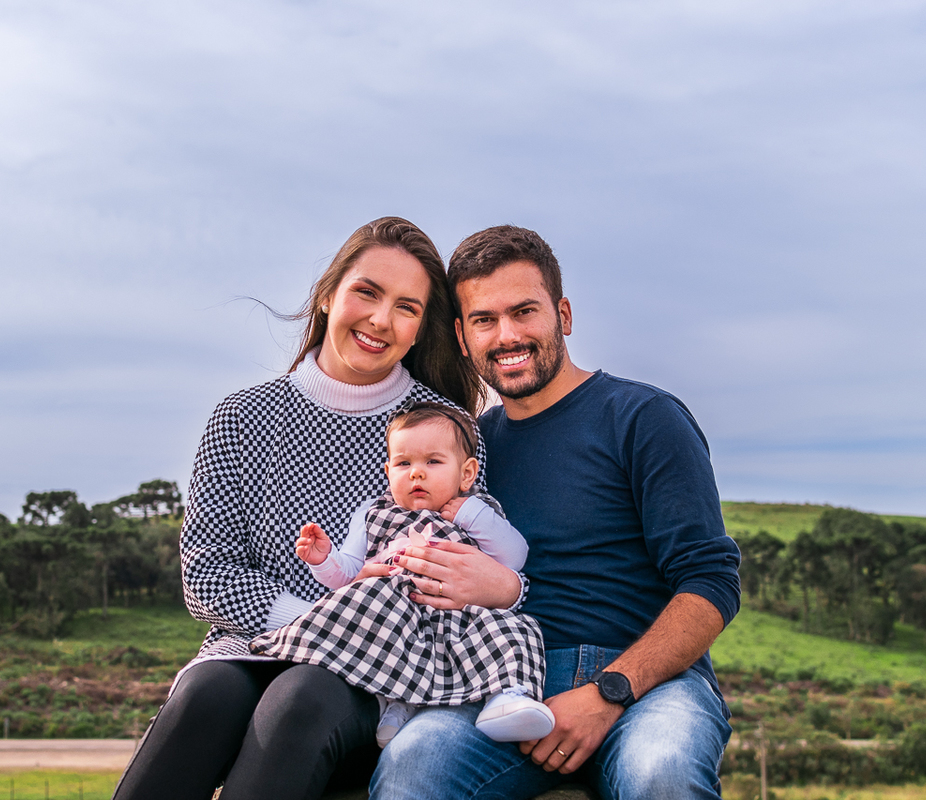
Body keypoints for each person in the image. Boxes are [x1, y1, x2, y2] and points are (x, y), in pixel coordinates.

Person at [109, 217, 500, 800]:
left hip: (382, 662)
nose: (380, 320)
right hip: (252, 645)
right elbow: (206, 576)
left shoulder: (448, 432)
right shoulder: (240, 418)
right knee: (204, 696)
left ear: (420, 330)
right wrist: (314, 621)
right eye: (366, 292)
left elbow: (456, 572)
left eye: (406, 307)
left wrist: (340, 633)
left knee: (299, 698)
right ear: (327, 296)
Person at [369, 225, 742, 800]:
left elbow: (711, 583)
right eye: (484, 320)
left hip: (647, 683)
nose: (507, 335)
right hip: (502, 679)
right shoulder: (468, 450)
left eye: (524, 311)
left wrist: (609, 691)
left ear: (563, 315)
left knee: (662, 773)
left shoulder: (643, 417)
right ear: (462, 338)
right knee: (412, 764)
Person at [249, 401, 555, 748]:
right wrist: (323, 559)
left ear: (467, 473)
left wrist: (471, 515)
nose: (416, 473)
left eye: (433, 462)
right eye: (403, 463)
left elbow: (515, 556)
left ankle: (507, 697)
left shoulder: (477, 510)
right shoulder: (372, 514)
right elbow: (348, 575)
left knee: (513, 630)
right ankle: (393, 705)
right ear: (388, 471)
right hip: (394, 616)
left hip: (461, 616)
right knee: (363, 616)